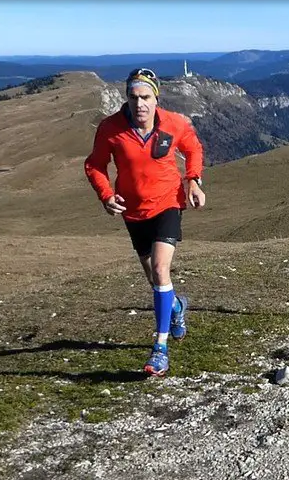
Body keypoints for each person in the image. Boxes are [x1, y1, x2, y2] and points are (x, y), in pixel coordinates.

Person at [84, 67, 206, 377]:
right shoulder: (110, 128)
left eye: (146, 97)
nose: (140, 104)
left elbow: (193, 148)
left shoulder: (174, 124)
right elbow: (95, 165)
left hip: (168, 203)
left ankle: (160, 349)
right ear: (126, 97)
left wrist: (193, 180)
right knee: (154, 278)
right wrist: (105, 194)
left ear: (156, 97)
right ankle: (177, 307)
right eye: (133, 97)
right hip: (132, 211)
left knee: (161, 269)